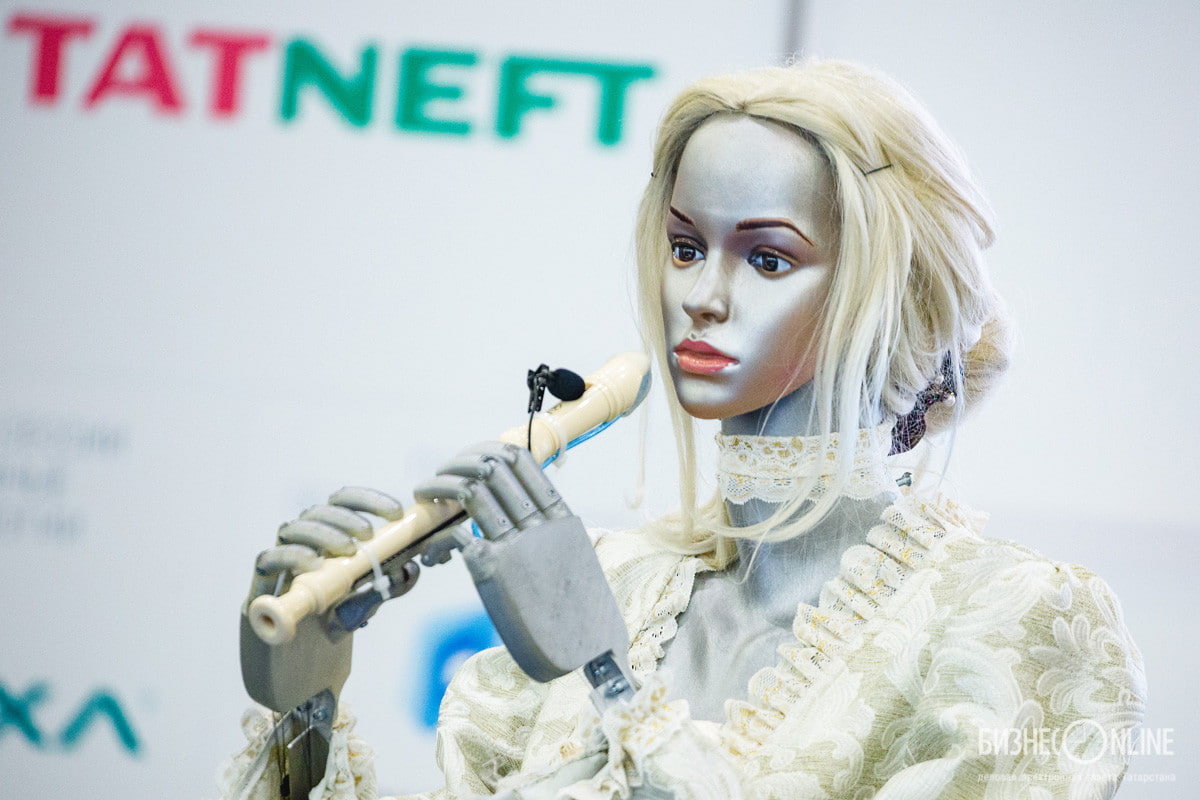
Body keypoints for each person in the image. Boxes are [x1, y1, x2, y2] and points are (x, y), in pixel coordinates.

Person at [219, 60, 1145, 800]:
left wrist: (606, 674)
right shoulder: (611, 584)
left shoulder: (1013, 620)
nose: (701, 296)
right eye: (686, 246)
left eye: (768, 257)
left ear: (889, 288)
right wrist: (308, 709)